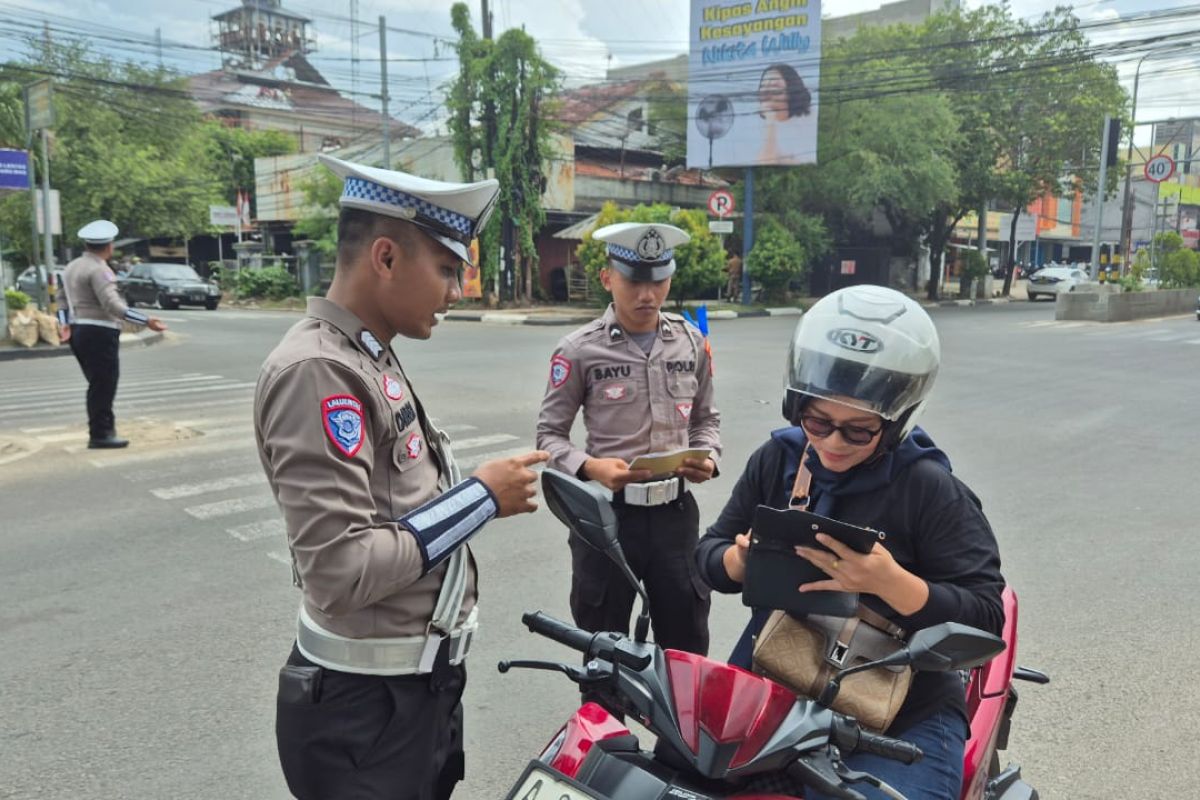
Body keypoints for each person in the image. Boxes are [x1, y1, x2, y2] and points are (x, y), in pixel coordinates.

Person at [254, 154, 549, 800]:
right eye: (446, 269)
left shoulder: (365, 352)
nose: (457, 291)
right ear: (384, 258)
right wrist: (480, 499)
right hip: (363, 719)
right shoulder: (316, 371)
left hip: (410, 700)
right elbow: (339, 569)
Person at [695, 285, 1004, 800]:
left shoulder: (930, 490)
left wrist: (891, 584)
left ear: (897, 420)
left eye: (858, 431)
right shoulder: (778, 461)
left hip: (904, 712)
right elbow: (707, 556)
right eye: (818, 421)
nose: (833, 443)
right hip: (774, 680)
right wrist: (737, 561)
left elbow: (985, 616)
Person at [536, 222, 721, 656]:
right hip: (606, 518)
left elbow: (707, 418)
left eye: (658, 281)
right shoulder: (579, 350)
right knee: (605, 654)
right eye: (635, 281)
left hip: (675, 516)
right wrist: (591, 467)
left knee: (686, 651)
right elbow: (550, 436)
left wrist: (708, 456)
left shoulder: (691, 343)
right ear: (607, 278)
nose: (648, 295)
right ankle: (608, 726)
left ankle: (678, 728)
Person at [62, 220, 168, 449]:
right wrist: (146, 320)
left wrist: (64, 324)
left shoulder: (72, 266)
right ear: (109, 246)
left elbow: (61, 299)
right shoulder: (100, 269)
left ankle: (102, 430)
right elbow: (112, 305)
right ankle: (101, 434)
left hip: (78, 329)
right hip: (99, 331)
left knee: (96, 383)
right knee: (104, 385)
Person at [756, 63, 815, 165]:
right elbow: (765, 161)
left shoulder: (810, 118)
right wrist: (770, 119)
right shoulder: (753, 127)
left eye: (774, 85)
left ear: (791, 88)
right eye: (763, 86)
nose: (766, 90)